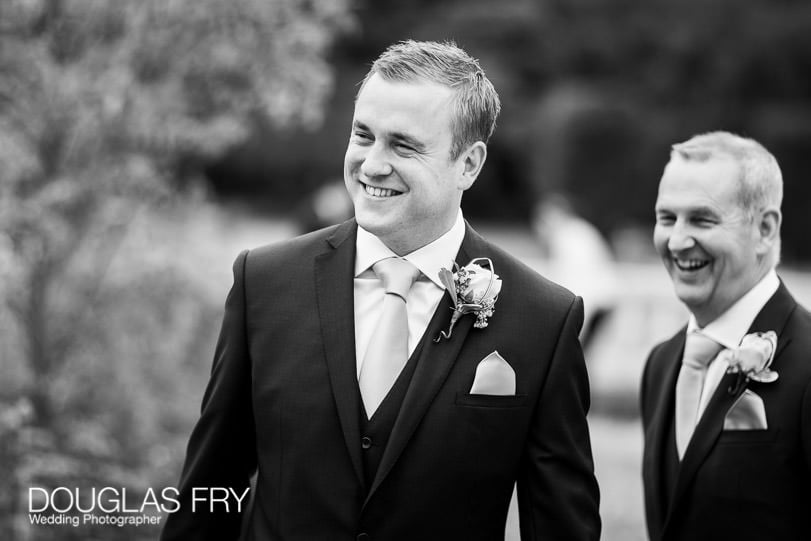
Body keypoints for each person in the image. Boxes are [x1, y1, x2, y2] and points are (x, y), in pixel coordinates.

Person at [161, 40, 600, 541]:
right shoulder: (264, 282)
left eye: (403, 145)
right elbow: (210, 490)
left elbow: (563, 526)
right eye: (363, 135)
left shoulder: (541, 318)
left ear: (469, 164)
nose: (371, 164)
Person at [641, 131, 811, 540]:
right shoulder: (662, 364)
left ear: (765, 229)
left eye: (702, 219)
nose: (678, 241)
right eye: (667, 218)